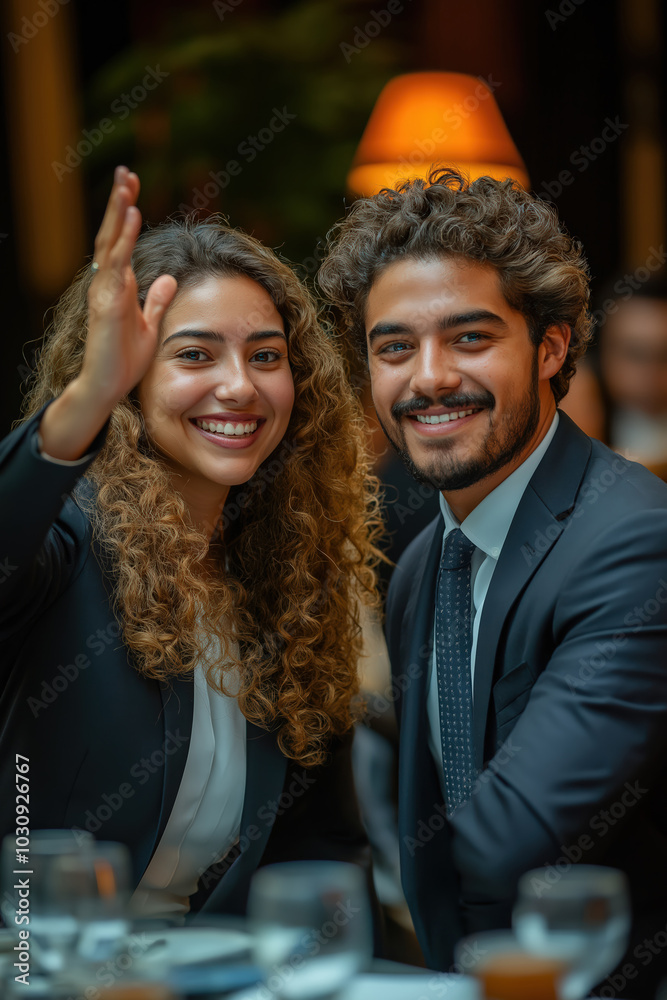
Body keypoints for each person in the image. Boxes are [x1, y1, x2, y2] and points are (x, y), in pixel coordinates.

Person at [318, 168, 667, 997]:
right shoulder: (420, 565)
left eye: (469, 338)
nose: (428, 377)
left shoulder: (635, 540)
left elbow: (517, 837)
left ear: (551, 348)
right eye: (393, 347)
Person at [0, 166, 383, 921]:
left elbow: (318, 848)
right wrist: (88, 396)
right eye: (194, 355)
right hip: (34, 960)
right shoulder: (65, 540)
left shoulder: (288, 577)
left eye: (266, 356)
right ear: (130, 380)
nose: (239, 386)